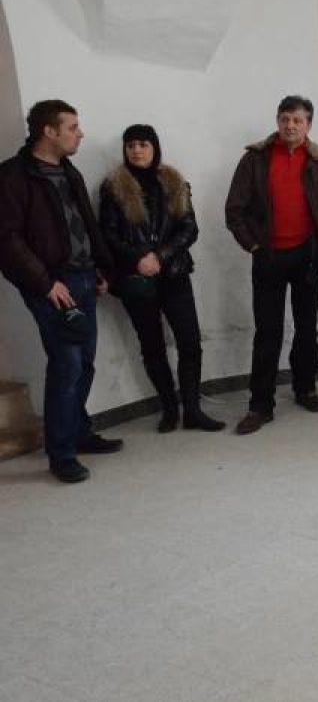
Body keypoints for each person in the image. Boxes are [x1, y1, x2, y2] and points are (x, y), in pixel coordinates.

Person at [0, 100, 121, 483]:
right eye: (72, 127)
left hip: (83, 278)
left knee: (84, 362)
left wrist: (101, 268)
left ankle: (79, 431)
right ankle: (62, 453)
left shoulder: (69, 171)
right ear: (49, 131)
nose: (79, 134)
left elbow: (85, 225)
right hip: (51, 285)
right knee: (67, 365)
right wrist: (45, 283)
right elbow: (7, 240)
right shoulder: (13, 176)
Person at [225, 96, 318, 435]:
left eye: (297, 120)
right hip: (268, 257)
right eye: (285, 119)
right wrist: (254, 245)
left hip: (307, 256)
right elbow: (234, 210)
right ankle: (260, 405)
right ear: (277, 122)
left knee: (307, 327)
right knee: (268, 332)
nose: (290, 125)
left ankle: (305, 388)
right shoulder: (255, 159)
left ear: (308, 124)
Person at [99, 125, 224, 434]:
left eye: (143, 144)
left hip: (174, 272)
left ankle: (193, 410)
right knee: (152, 346)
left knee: (189, 342)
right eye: (130, 145)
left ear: (154, 147)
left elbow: (189, 228)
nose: (136, 150)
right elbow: (108, 233)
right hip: (135, 278)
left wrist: (160, 256)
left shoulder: (174, 182)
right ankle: (169, 409)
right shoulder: (113, 187)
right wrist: (138, 259)